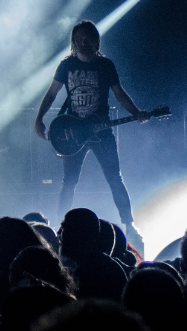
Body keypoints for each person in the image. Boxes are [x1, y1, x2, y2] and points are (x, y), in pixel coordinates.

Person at [33, 20, 148, 242]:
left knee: (114, 177)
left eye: (87, 39)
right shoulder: (66, 65)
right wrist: (39, 118)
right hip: (72, 133)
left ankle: (129, 224)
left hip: (101, 130)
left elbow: (119, 93)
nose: (83, 43)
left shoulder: (105, 65)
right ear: (74, 42)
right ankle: (60, 227)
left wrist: (136, 112)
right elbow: (51, 94)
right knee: (69, 181)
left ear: (95, 40)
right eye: (79, 39)